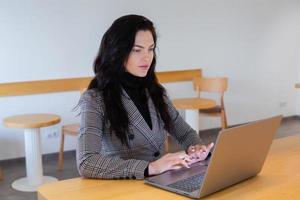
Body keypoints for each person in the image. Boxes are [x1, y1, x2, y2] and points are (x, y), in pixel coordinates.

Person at [76, 14, 214, 180]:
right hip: (120, 187)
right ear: (117, 51)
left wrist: (195, 147)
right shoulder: (95, 99)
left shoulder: (156, 92)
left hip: (160, 183)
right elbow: (86, 162)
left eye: (151, 49)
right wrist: (150, 168)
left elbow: (184, 133)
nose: (147, 57)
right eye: (137, 50)